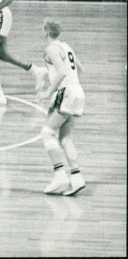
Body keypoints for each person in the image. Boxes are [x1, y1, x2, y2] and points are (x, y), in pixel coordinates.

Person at [36, 19, 86, 195]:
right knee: (65, 138)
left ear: (45, 31)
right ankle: (77, 177)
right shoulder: (66, 46)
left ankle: (60, 176)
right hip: (78, 91)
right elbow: (80, 69)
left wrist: (49, 91)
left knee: (47, 133)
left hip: (66, 92)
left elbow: (62, 72)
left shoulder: (51, 48)